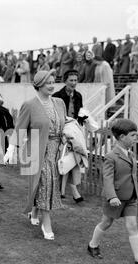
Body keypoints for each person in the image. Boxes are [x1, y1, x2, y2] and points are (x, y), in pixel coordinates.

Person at [4, 70, 66, 240]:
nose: (52, 85)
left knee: (43, 184)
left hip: (55, 150)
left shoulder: (59, 102)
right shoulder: (29, 105)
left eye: (53, 81)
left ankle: (34, 211)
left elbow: (63, 122)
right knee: (46, 182)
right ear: (39, 84)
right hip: (37, 150)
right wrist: (11, 148)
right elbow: (20, 128)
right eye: (48, 82)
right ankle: (47, 224)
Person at [87, 119, 138, 264]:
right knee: (106, 223)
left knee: (132, 225)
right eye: (133, 135)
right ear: (122, 137)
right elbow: (107, 178)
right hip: (115, 199)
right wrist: (112, 197)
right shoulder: (111, 156)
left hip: (131, 198)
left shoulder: (131, 153)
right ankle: (92, 245)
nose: (135, 138)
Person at [53, 69, 85, 202]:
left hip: (75, 130)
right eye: (71, 80)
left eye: (76, 80)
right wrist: (61, 133)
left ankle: (70, 189)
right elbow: (54, 115)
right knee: (62, 159)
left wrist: (82, 118)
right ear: (65, 81)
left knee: (75, 157)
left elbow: (80, 113)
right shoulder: (56, 96)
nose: (74, 83)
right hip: (62, 130)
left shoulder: (78, 96)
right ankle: (65, 190)